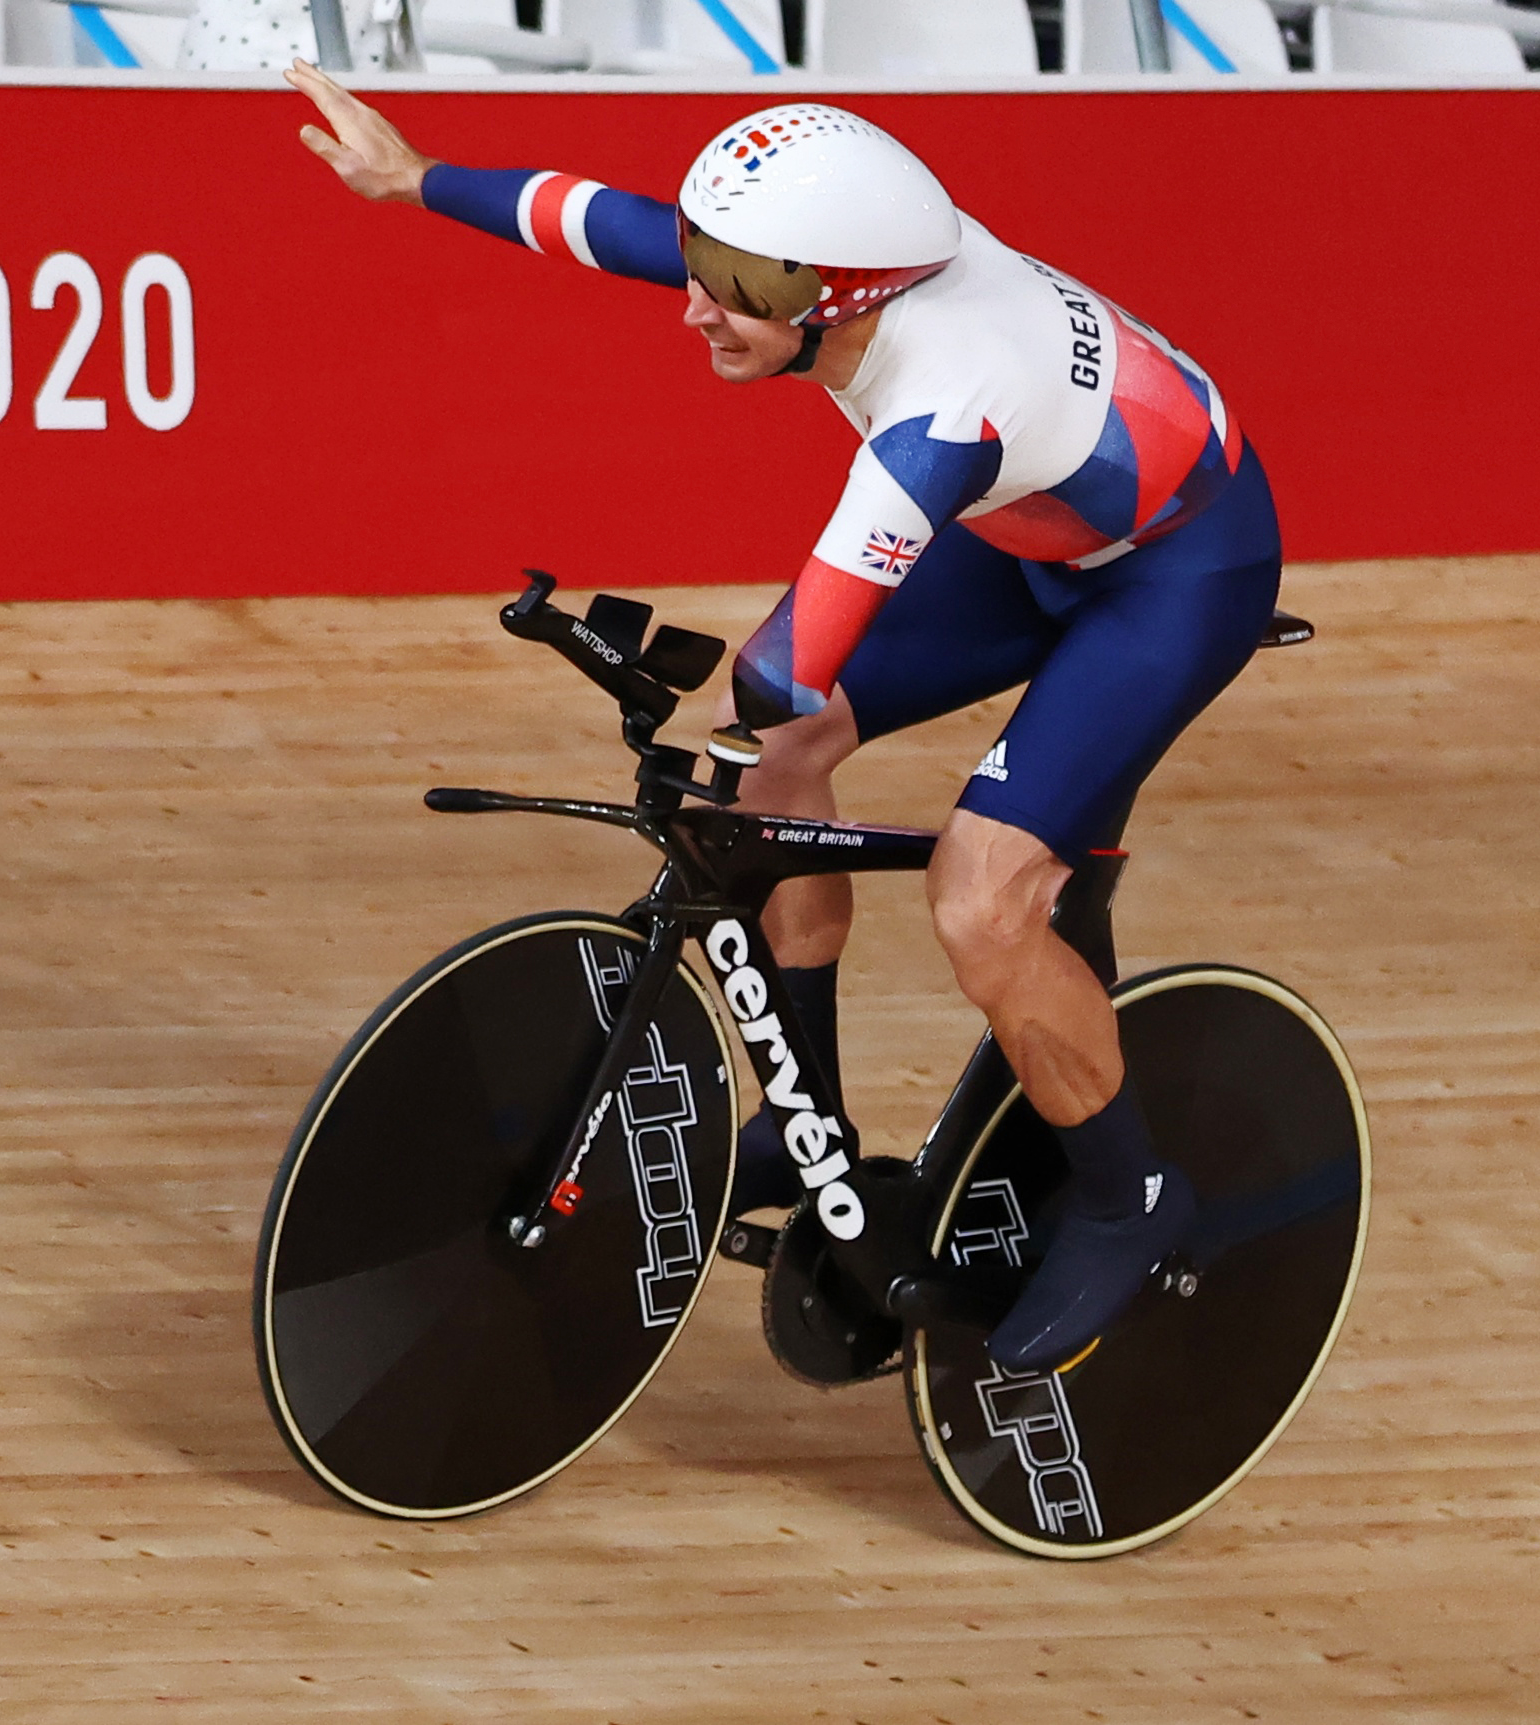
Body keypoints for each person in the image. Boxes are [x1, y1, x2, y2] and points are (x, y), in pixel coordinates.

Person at [288, 65, 1289, 1377]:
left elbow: (802, 644)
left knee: (978, 896)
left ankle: (1130, 1199)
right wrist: (410, 175)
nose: (700, 301)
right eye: (707, 263)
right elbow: (599, 219)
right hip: (1032, 526)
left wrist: (707, 704)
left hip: (1176, 574)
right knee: (770, 769)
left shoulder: (938, 400)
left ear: (845, 296)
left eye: (741, 285)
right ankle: (797, 1111)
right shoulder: (796, 279)